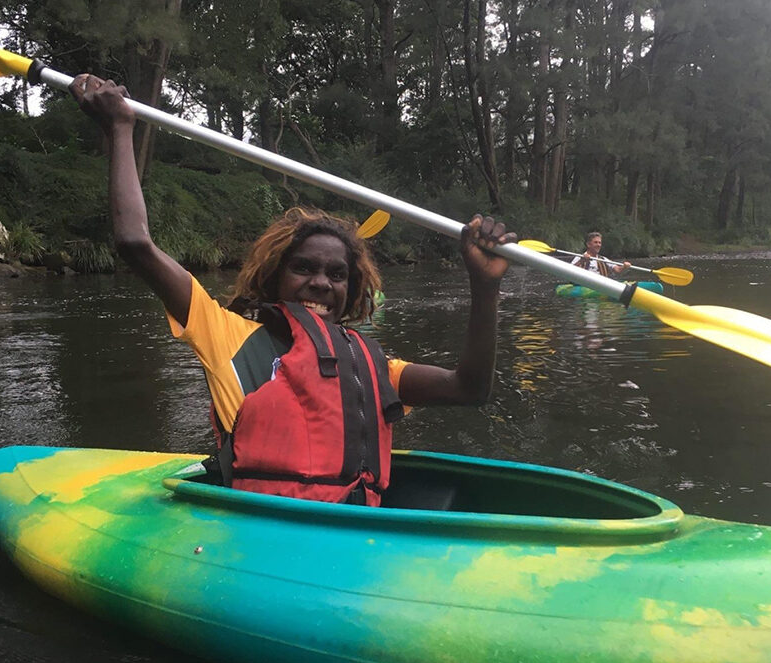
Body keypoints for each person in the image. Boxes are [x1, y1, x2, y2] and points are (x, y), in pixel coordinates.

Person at [71, 74, 517, 507]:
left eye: (336, 274)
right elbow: (135, 243)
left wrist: (484, 286)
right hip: (262, 533)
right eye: (304, 268)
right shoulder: (222, 332)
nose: (321, 282)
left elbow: (470, 388)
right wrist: (121, 127)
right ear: (274, 277)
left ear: (352, 287)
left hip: (355, 538)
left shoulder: (375, 366)